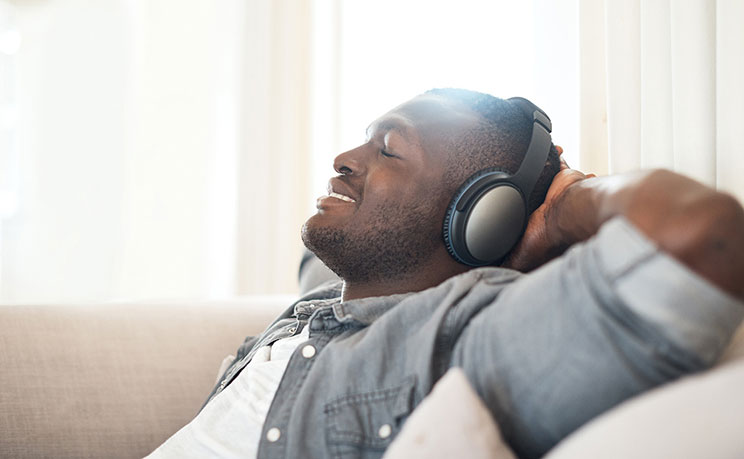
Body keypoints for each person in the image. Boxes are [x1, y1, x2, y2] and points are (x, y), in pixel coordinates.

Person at [147, 89, 744, 458]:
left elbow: (701, 235)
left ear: (480, 217)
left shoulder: (466, 337)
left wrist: (564, 208)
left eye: (388, 149)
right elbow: (318, 261)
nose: (343, 159)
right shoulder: (331, 302)